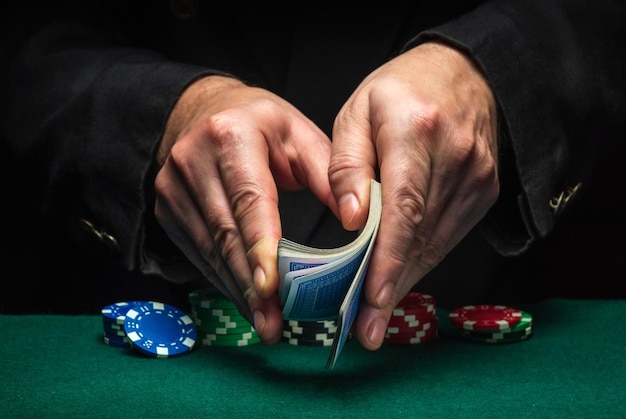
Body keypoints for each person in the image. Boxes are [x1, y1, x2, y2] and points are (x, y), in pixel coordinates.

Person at [1, 1, 625, 350]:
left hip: (461, 309)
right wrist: (168, 112)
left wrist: (487, 73)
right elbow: (24, 42)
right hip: (145, 294)